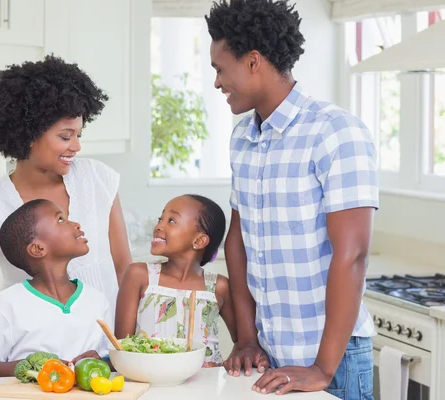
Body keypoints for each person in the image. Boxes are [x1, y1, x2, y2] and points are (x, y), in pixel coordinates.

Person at [0, 55, 131, 387]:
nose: (76, 146)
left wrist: (130, 349)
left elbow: (125, 271)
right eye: (65, 136)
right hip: (35, 368)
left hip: (106, 357)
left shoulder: (99, 180)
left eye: (79, 134)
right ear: (29, 134)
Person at [205, 1, 378, 398]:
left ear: (252, 62)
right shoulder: (242, 138)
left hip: (334, 359)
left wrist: (321, 368)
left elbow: (352, 254)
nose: (216, 82)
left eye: (219, 68)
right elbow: (239, 239)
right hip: (271, 358)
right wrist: (247, 338)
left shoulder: (334, 132)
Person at [0, 199, 111, 382]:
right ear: (38, 249)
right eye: (61, 220)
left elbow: (113, 362)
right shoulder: (7, 304)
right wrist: (31, 366)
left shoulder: (97, 300)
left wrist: (101, 363)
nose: (76, 224)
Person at [115, 195, 237, 367]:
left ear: (199, 241)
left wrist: (224, 369)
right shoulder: (139, 275)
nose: (158, 226)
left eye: (171, 220)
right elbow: (121, 349)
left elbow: (244, 344)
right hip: (152, 386)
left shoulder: (219, 287)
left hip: (204, 390)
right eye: (160, 219)